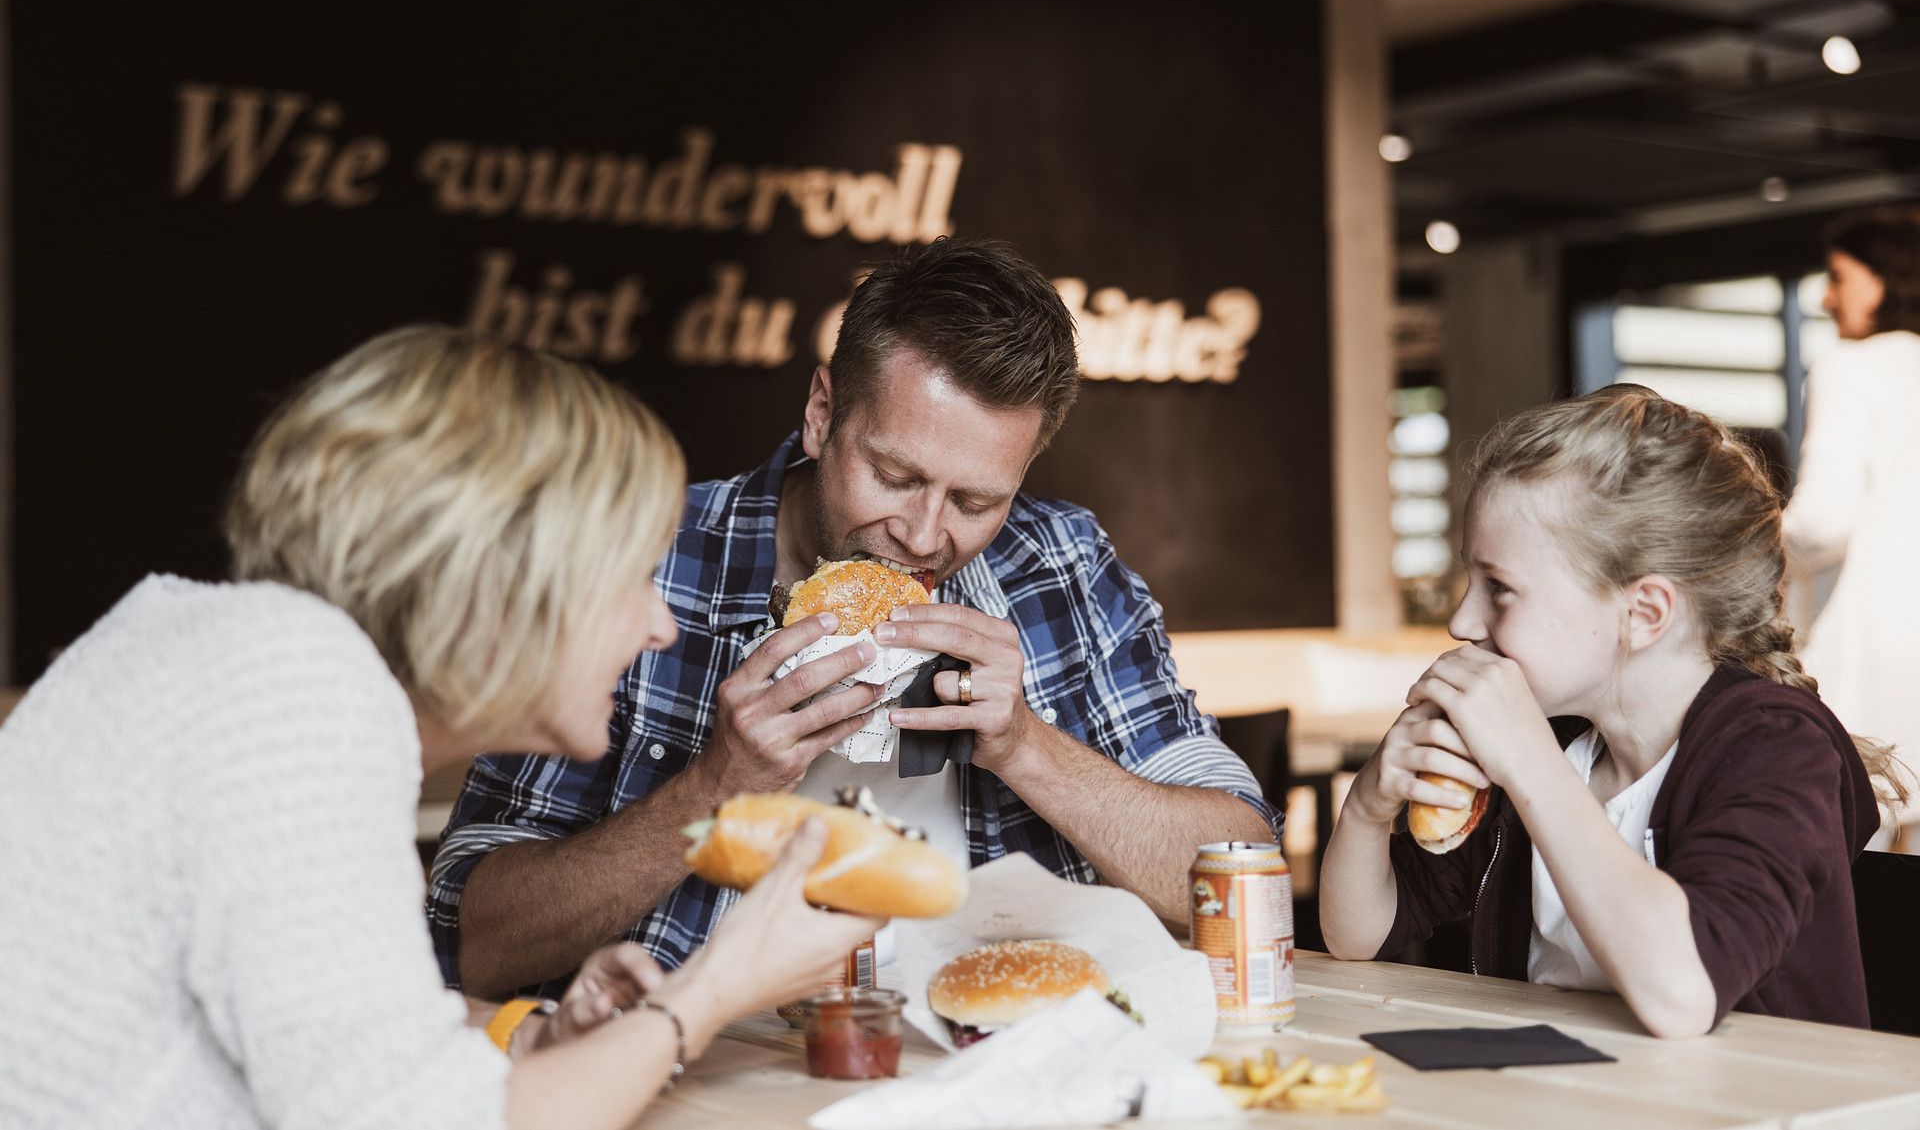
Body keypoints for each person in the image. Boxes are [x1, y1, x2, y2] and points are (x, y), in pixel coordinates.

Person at [0, 327, 878, 1130]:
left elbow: (319, 1024)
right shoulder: (291, 699)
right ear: (500, 577)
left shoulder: (231, 653)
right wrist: (718, 985)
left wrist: (528, 1031)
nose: (660, 624)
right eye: (629, 577)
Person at [431, 237, 1279, 999]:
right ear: (821, 413)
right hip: (701, 1067)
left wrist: (1024, 746)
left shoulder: (1060, 562)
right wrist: (714, 786)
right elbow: (472, 939)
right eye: (895, 477)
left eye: (975, 501)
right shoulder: (642, 560)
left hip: (987, 1062)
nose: (923, 535)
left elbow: (1241, 870)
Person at [1319, 385, 1905, 1037]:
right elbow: (1359, 933)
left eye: (1500, 588)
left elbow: (1683, 992)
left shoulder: (1774, 747)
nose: (1462, 621)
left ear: (1644, 613)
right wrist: (1367, 807)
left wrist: (1528, 763)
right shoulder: (1558, 740)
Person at [1783, 206, 1920, 846]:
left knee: (1859, 848)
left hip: (1869, 641)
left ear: (1889, 277)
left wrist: (1752, 542)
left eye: (1839, 277)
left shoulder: (1852, 366)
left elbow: (1822, 522)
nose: (1826, 297)